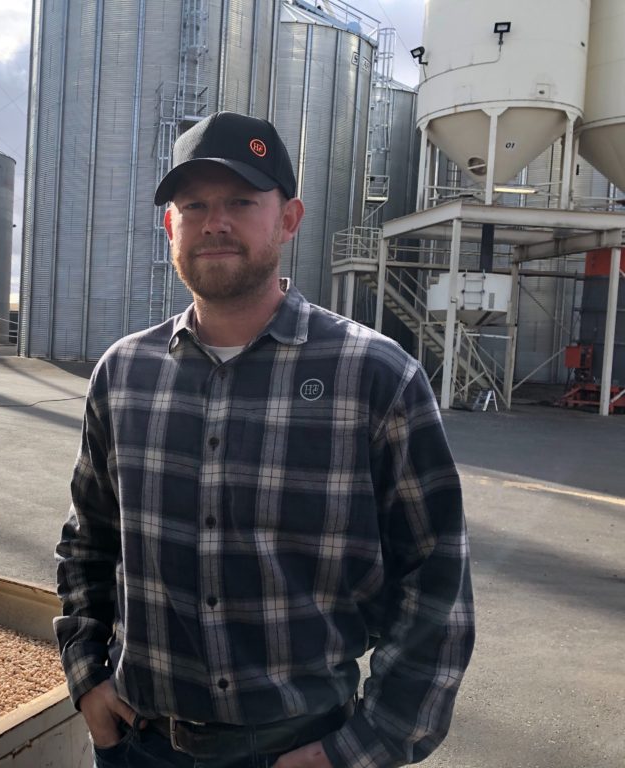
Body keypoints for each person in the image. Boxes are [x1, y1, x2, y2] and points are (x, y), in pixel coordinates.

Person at [55, 111, 474, 768]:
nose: (214, 222)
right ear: (171, 227)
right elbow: (87, 546)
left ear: (288, 219)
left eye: (241, 202)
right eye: (193, 205)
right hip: (139, 746)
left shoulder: (375, 376)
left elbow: (436, 580)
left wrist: (366, 745)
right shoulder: (124, 374)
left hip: (301, 750)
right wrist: (87, 680)